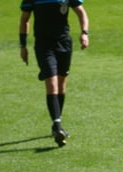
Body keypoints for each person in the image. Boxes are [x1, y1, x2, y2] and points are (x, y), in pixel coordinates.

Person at [19, 0, 90, 147]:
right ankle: (57, 127)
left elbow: (81, 12)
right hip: (44, 46)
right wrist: (23, 45)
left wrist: (84, 33)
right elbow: (25, 19)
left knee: (61, 84)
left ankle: (57, 123)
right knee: (52, 85)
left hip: (64, 44)